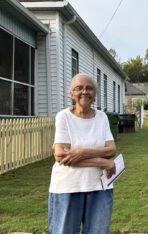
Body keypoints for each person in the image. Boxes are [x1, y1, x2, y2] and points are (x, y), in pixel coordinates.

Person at [48, 73, 117, 234]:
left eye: (89, 88)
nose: (84, 92)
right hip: (67, 187)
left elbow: (111, 149)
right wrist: (102, 162)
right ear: (71, 94)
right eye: (79, 88)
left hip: (100, 187)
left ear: (95, 95)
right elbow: (60, 156)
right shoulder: (63, 117)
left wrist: (81, 151)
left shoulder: (102, 117)